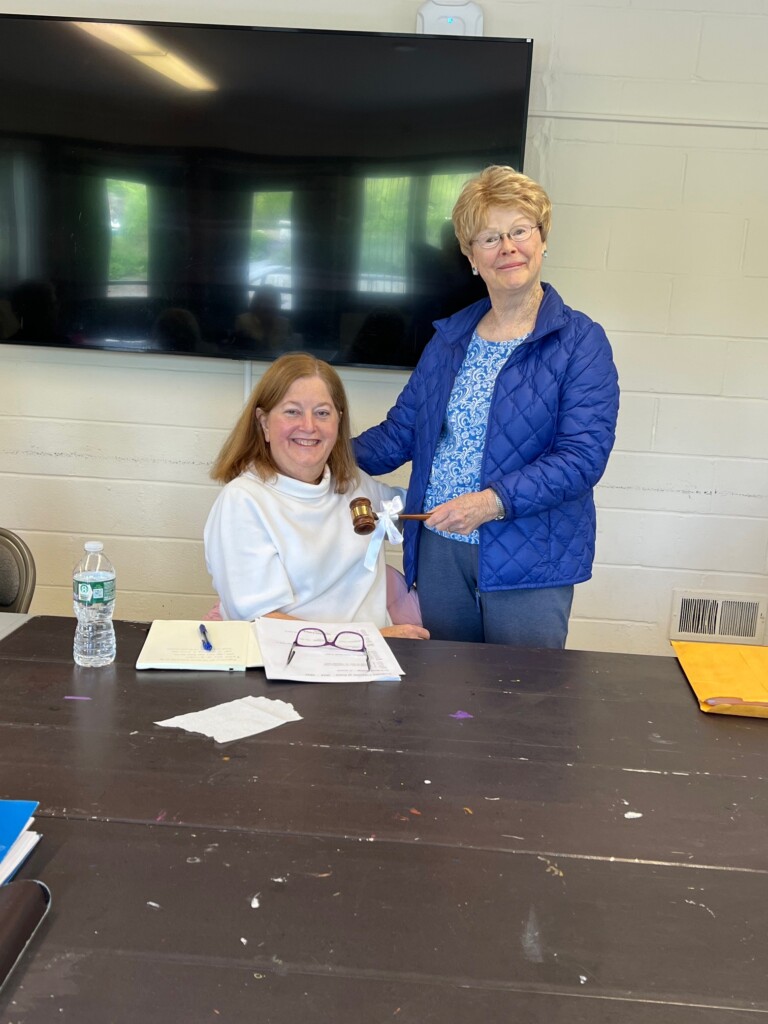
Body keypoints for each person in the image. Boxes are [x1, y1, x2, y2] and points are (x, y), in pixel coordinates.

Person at [353, 165, 620, 648]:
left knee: (522, 705)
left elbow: (582, 458)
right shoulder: (450, 339)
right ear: (471, 255)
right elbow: (400, 433)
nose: (508, 247)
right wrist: (319, 459)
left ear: (542, 240)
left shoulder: (582, 342)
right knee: (444, 699)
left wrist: (490, 503)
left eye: (520, 230)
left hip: (531, 556)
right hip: (439, 551)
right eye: (490, 237)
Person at [204, 353, 428, 639]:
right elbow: (260, 622)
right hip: (290, 664)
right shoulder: (243, 502)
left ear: (338, 422)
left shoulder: (353, 485)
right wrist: (373, 638)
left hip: (371, 658)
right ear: (264, 423)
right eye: (292, 412)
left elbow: (415, 513)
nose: (309, 426)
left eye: (322, 413)